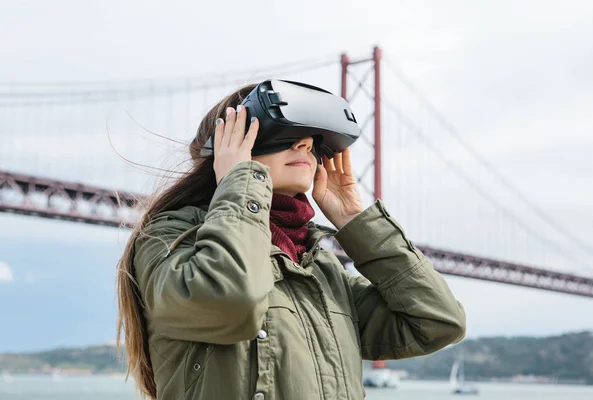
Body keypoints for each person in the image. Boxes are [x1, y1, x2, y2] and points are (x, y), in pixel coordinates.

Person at [116, 83, 467, 400]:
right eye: (282, 132)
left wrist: (357, 223)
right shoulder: (171, 237)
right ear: (225, 145)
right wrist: (240, 181)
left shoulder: (318, 266)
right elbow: (229, 301)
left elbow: (437, 321)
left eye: (313, 139)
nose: (305, 144)